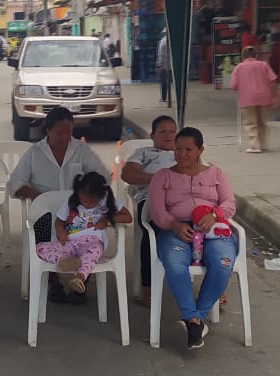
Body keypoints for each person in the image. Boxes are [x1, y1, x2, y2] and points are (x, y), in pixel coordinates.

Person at [8, 106, 111, 302]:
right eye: (60, 132)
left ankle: (80, 284)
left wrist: (87, 190)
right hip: (46, 211)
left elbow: (103, 177)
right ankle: (52, 282)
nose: (65, 137)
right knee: (41, 229)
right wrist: (38, 197)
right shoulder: (35, 153)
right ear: (48, 129)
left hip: (77, 212)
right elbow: (14, 183)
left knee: (90, 236)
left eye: (68, 132)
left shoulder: (81, 150)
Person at [147, 127, 238, 350]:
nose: (182, 154)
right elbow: (156, 211)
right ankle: (194, 320)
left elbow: (229, 204)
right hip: (177, 230)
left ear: (200, 150)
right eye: (178, 149)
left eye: (188, 149)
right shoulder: (163, 176)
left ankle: (195, 318)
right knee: (175, 264)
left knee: (223, 263)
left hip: (213, 229)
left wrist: (214, 215)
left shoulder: (216, 174)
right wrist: (173, 224)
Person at [35, 171, 131, 296]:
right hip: (69, 242)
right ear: (78, 191)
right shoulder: (71, 201)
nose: (86, 204)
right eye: (84, 200)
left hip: (92, 242)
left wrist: (107, 220)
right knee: (40, 248)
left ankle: (80, 277)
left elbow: (128, 217)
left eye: (91, 202)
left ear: (101, 196)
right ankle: (67, 261)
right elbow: (59, 220)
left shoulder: (106, 200)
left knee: (93, 253)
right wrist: (60, 231)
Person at [120, 115, 177, 308]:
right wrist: (160, 179)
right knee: (151, 233)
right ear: (152, 135)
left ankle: (215, 285)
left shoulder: (184, 152)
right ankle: (148, 287)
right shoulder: (143, 153)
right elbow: (128, 174)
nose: (168, 135)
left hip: (183, 200)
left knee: (209, 229)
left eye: (172, 131)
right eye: (163, 131)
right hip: (152, 198)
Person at [227, 45, 278, 153]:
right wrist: (274, 96)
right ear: (255, 55)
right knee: (262, 122)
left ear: (243, 56)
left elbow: (233, 86)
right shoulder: (264, 65)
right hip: (264, 97)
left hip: (248, 99)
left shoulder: (239, 67)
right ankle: (263, 144)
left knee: (251, 123)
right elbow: (273, 80)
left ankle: (255, 146)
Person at [155, 31, 171, 106]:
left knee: (163, 81)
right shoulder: (171, 41)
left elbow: (160, 54)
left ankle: (163, 97)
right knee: (169, 81)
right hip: (170, 65)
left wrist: (159, 64)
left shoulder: (162, 41)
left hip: (164, 65)